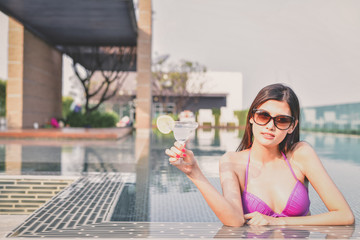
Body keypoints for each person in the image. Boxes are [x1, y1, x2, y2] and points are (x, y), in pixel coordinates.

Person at [165, 83, 355, 226]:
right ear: (251, 118)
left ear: (292, 127)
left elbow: (344, 215)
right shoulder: (232, 161)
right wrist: (195, 174)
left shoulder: (300, 155)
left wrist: (277, 222)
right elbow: (234, 220)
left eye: (281, 120)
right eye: (264, 116)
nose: (270, 126)